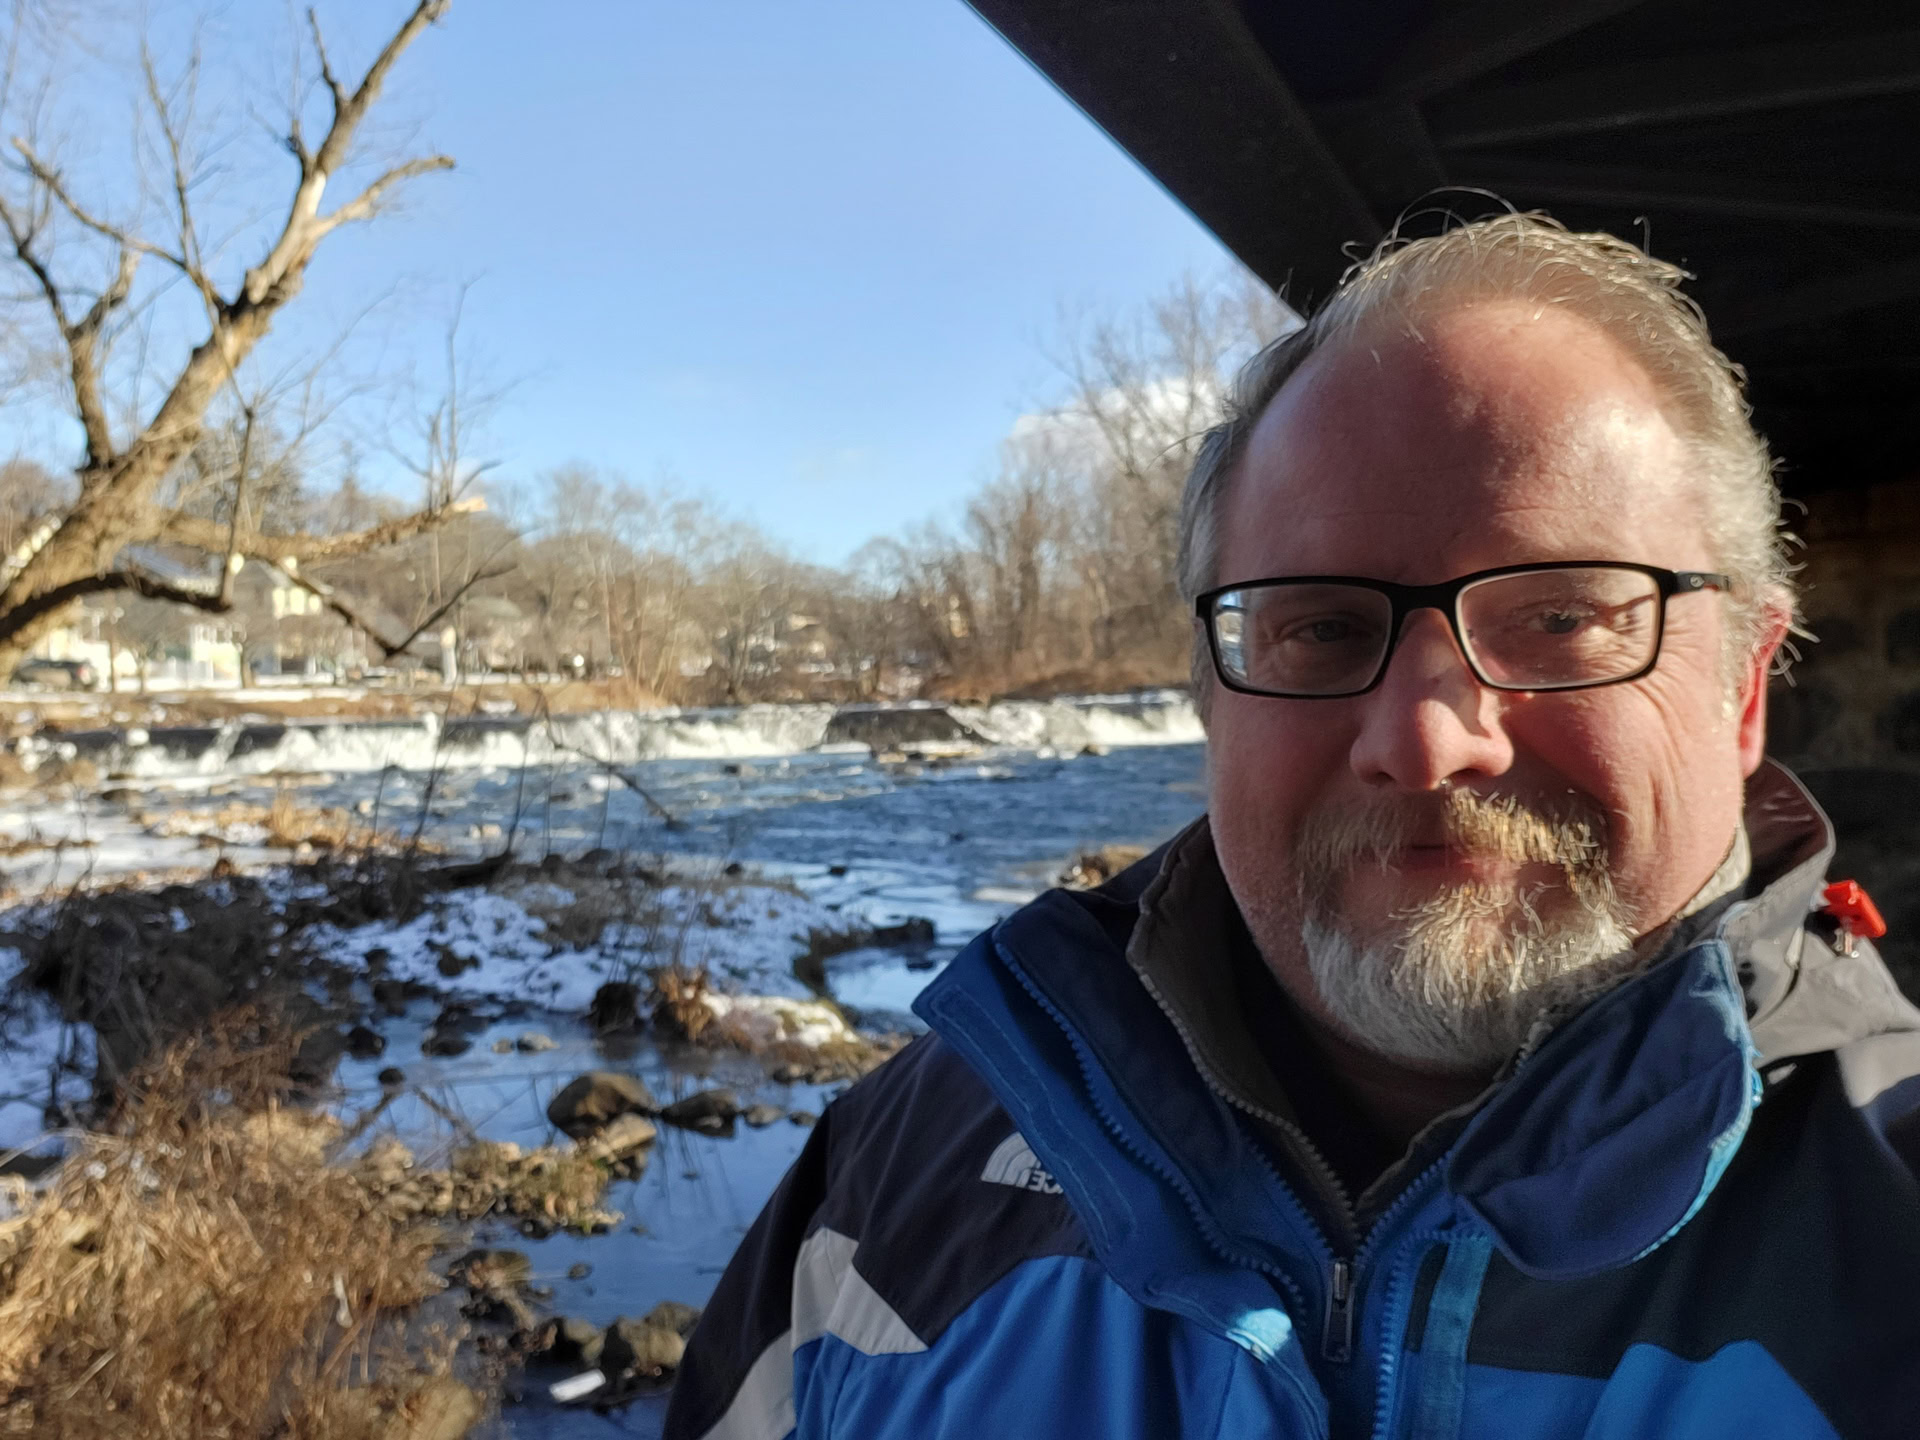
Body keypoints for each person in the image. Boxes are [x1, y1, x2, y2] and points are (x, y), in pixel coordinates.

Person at [663, 214, 1920, 1440]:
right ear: (1212, 699)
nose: (1425, 742)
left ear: (1743, 689)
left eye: (1560, 620)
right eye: (1321, 627)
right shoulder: (893, 1179)